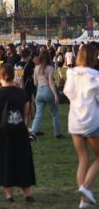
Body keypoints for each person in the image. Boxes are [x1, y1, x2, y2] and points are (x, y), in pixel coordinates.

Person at [0, 63, 35, 203]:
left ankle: (9, 195)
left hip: (1, 130)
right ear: (13, 75)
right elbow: (26, 113)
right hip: (19, 128)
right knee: (22, 160)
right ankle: (27, 193)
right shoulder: (22, 93)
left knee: (5, 160)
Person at [64, 44, 99, 208]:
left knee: (83, 159)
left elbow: (68, 93)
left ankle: (84, 201)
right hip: (91, 120)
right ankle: (85, 187)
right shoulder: (95, 76)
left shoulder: (71, 73)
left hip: (75, 120)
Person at [30, 50, 62, 138]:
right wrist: (55, 95)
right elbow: (51, 83)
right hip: (48, 90)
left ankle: (33, 132)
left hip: (39, 91)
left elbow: (35, 83)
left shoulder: (36, 68)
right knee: (55, 113)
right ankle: (58, 134)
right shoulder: (50, 68)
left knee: (38, 114)